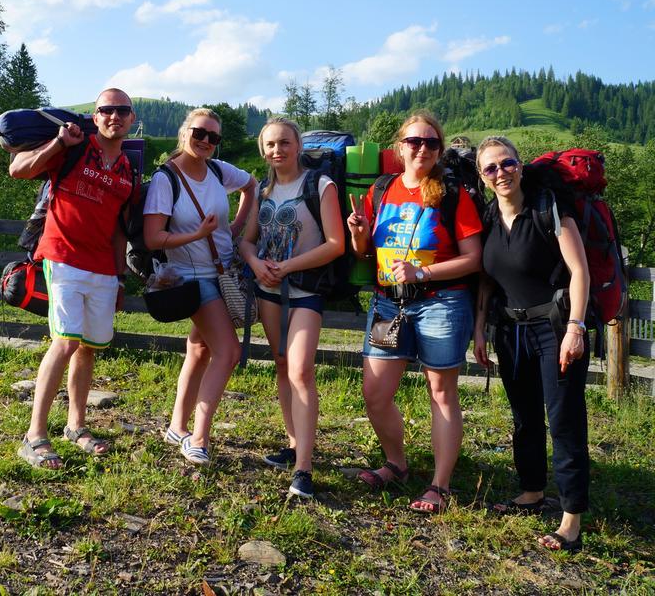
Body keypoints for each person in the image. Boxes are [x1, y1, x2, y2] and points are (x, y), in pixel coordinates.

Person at [348, 110, 482, 513]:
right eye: (414, 141)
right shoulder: (382, 188)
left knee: (441, 393)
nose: (422, 148)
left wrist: (422, 269)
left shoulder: (451, 191)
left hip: (441, 301)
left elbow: (474, 258)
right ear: (399, 147)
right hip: (389, 303)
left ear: (440, 149)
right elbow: (366, 252)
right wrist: (358, 236)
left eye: (431, 143)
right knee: (375, 393)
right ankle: (397, 463)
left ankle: (440, 485)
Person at [9, 88, 138, 469]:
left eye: (122, 110)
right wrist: (58, 143)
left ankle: (76, 426)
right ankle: (34, 435)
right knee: (65, 342)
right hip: (62, 255)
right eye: (106, 110)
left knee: (89, 347)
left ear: (132, 119)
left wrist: (119, 277)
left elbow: (120, 228)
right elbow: (18, 169)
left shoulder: (129, 168)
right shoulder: (74, 147)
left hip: (101, 267)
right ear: (95, 117)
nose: (114, 116)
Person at [472, 136, 590, 554]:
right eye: (491, 168)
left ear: (520, 166)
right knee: (524, 416)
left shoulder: (547, 209)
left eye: (507, 164)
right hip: (510, 331)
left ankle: (571, 518)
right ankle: (532, 490)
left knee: (564, 421)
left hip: (554, 328)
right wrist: (481, 325)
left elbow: (580, 272)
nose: (501, 173)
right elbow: (487, 276)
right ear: (482, 177)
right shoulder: (488, 217)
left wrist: (575, 327)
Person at [143, 108, 257, 466]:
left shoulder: (219, 172)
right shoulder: (167, 179)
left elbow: (252, 184)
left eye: (213, 137)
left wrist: (237, 228)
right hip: (192, 278)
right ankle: (199, 438)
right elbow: (152, 237)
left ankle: (178, 427)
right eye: (199, 133)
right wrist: (199, 234)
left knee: (199, 350)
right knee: (229, 352)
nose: (206, 141)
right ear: (184, 132)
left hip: (221, 272)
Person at [239, 117, 345, 498]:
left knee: (301, 369)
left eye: (284, 143)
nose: (277, 151)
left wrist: (287, 267)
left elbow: (336, 243)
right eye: (269, 145)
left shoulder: (320, 184)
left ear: (298, 145)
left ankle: (304, 468)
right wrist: (255, 264)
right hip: (269, 289)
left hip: (305, 288)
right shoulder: (263, 190)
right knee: (283, 365)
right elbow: (248, 242)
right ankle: (294, 444)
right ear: (262, 150)